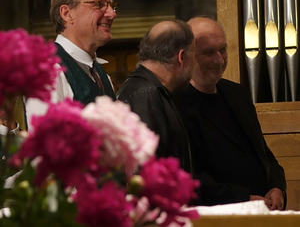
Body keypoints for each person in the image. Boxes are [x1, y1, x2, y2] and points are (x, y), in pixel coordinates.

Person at [174, 17, 286, 209]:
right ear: (185, 56)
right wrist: (243, 199)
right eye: (209, 52)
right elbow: (190, 177)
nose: (219, 59)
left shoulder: (237, 94)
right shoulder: (175, 104)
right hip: (220, 214)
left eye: (223, 50)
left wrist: (277, 187)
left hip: (260, 212)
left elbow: (263, 154)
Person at [26, 0, 117, 129]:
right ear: (67, 13)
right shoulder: (49, 72)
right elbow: (45, 148)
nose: (111, 14)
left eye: (111, 5)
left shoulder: (102, 76)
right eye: (99, 4)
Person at [117, 20, 194, 172]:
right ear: (182, 56)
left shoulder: (149, 90)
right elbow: (143, 174)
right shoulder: (145, 95)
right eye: (194, 56)